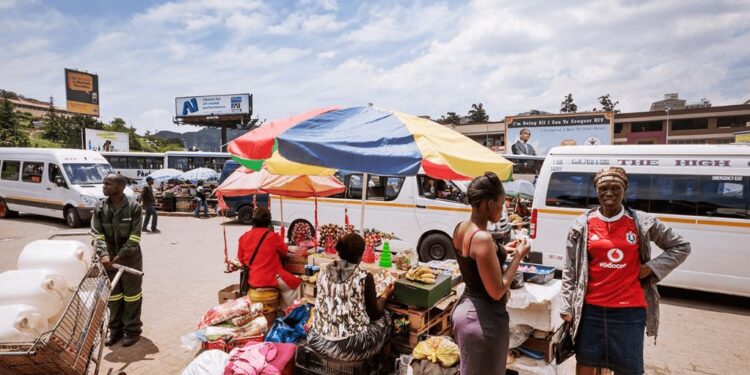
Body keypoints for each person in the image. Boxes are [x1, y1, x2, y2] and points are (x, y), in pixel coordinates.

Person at [561, 167, 691, 375]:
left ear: (625, 189)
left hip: (629, 313)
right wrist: (567, 306)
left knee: (629, 369)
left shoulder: (641, 222)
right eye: (603, 188)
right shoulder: (581, 224)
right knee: (585, 362)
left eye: (615, 188)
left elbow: (681, 246)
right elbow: (570, 269)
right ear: (596, 190)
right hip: (590, 311)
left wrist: (651, 267)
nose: (609, 193)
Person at [452, 172, 531, 374]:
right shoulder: (483, 238)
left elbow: (478, 259)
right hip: (483, 319)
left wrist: (503, 249)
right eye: (502, 203)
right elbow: (496, 291)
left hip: (466, 312)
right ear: (489, 204)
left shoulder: (461, 228)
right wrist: (518, 257)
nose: (503, 208)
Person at [308, 232, 395, 361]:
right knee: (386, 318)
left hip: (316, 339)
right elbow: (375, 314)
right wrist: (384, 296)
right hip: (347, 346)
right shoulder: (364, 277)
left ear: (340, 253)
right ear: (360, 257)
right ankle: (384, 366)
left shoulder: (323, 271)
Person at [91, 173, 144, 347]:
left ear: (121, 187)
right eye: (104, 183)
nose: (104, 186)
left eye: (108, 183)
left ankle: (133, 331)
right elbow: (97, 233)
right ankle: (115, 331)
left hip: (129, 259)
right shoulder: (100, 207)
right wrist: (104, 254)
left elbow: (135, 237)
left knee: (132, 296)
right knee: (113, 297)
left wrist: (120, 256)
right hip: (108, 259)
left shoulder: (134, 207)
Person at [237, 208, 301, 310]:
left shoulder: (244, 237)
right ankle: (289, 313)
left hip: (253, 279)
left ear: (253, 221)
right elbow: (284, 252)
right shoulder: (273, 236)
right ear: (269, 222)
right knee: (297, 285)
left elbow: (241, 259)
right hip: (271, 278)